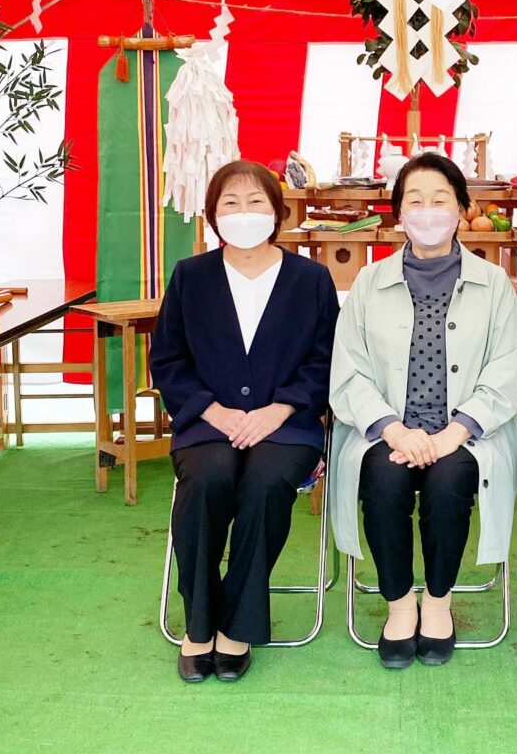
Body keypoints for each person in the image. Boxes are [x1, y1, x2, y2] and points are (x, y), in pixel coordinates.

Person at [329, 153, 517, 669]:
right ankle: (399, 605)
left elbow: (508, 369)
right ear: (397, 215)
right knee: (384, 480)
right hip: (385, 432)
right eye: (414, 200)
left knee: (448, 482)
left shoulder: (496, 285)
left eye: (441, 199)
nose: (428, 210)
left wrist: (453, 433)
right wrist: (393, 430)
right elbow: (348, 370)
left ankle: (438, 602)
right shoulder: (369, 285)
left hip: (469, 434)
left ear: (464, 208)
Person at [150, 159, 339, 683]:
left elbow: (327, 358)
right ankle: (199, 623)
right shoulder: (191, 276)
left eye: (256, 201)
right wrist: (214, 409)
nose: (244, 212)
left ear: (277, 211)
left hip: (288, 424)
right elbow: (168, 360)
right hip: (208, 421)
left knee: (264, 484)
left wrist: (280, 408)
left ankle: (239, 624)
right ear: (213, 215)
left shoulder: (311, 279)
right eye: (230, 202)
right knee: (207, 480)